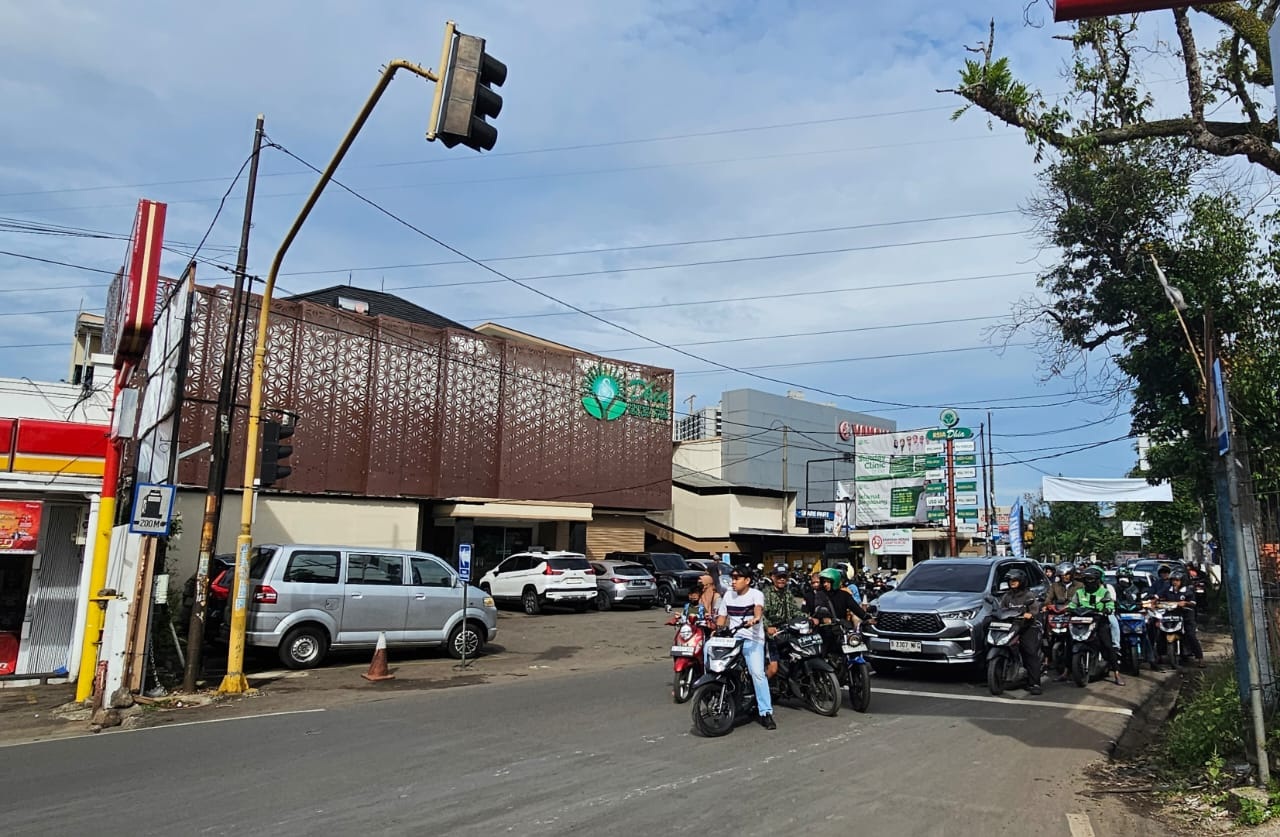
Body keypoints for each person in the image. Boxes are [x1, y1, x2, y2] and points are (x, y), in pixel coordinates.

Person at [717, 566, 775, 730]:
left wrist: (756, 619)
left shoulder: (756, 594)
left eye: (737, 578)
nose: (733, 581)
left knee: (757, 674)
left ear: (747, 580)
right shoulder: (728, 594)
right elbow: (722, 617)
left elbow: (758, 609)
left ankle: (765, 713)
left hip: (753, 640)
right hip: (734, 639)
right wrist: (717, 628)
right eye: (732, 578)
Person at [1070, 566, 1123, 685]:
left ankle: (1117, 674)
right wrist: (1070, 610)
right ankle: (1066, 671)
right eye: (1087, 579)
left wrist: (1107, 609)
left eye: (1091, 579)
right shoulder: (1079, 592)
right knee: (1069, 643)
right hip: (1082, 622)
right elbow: (1073, 605)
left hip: (1099, 621)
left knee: (1108, 646)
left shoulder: (1104, 592)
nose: (1089, 582)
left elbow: (1110, 604)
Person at [995, 568, 1043, 695]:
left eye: (1015, 580)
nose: (1012, 582)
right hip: (1011, 626)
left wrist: (1029, 614)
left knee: (1029, 652)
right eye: (1010, 581)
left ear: (1021, 581)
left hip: (1027, 627)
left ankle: (1035, 683)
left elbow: (1034, 610)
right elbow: (1002, 609)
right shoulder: (1007, 596)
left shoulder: (1029, 595)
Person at [762, 564, 804, 679]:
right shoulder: (766, 594)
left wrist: (808, 618)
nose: (781, 579)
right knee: (773, 669)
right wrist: (767, 627)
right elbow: (760, 614)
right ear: (773, 578)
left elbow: (795, 611)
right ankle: (762, 691)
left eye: (784, 577)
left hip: (787, 631)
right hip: (770, 636)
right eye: (779, 576)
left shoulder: (787, 593)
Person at [1156, 570, 1205, 667]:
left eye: (1177, 580)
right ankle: (1159, 656)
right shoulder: (1167, 589)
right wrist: (1153, 602)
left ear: (1182, 581)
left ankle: (1200, 659)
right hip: (1170, 616)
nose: (1175, 582)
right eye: (1173, 580)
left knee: (1191, 635)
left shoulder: (1187, 591)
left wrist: (1186, 603)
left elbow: (1193, 603)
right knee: (1160, 633)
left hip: (1186, 617)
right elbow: (1157, 596)